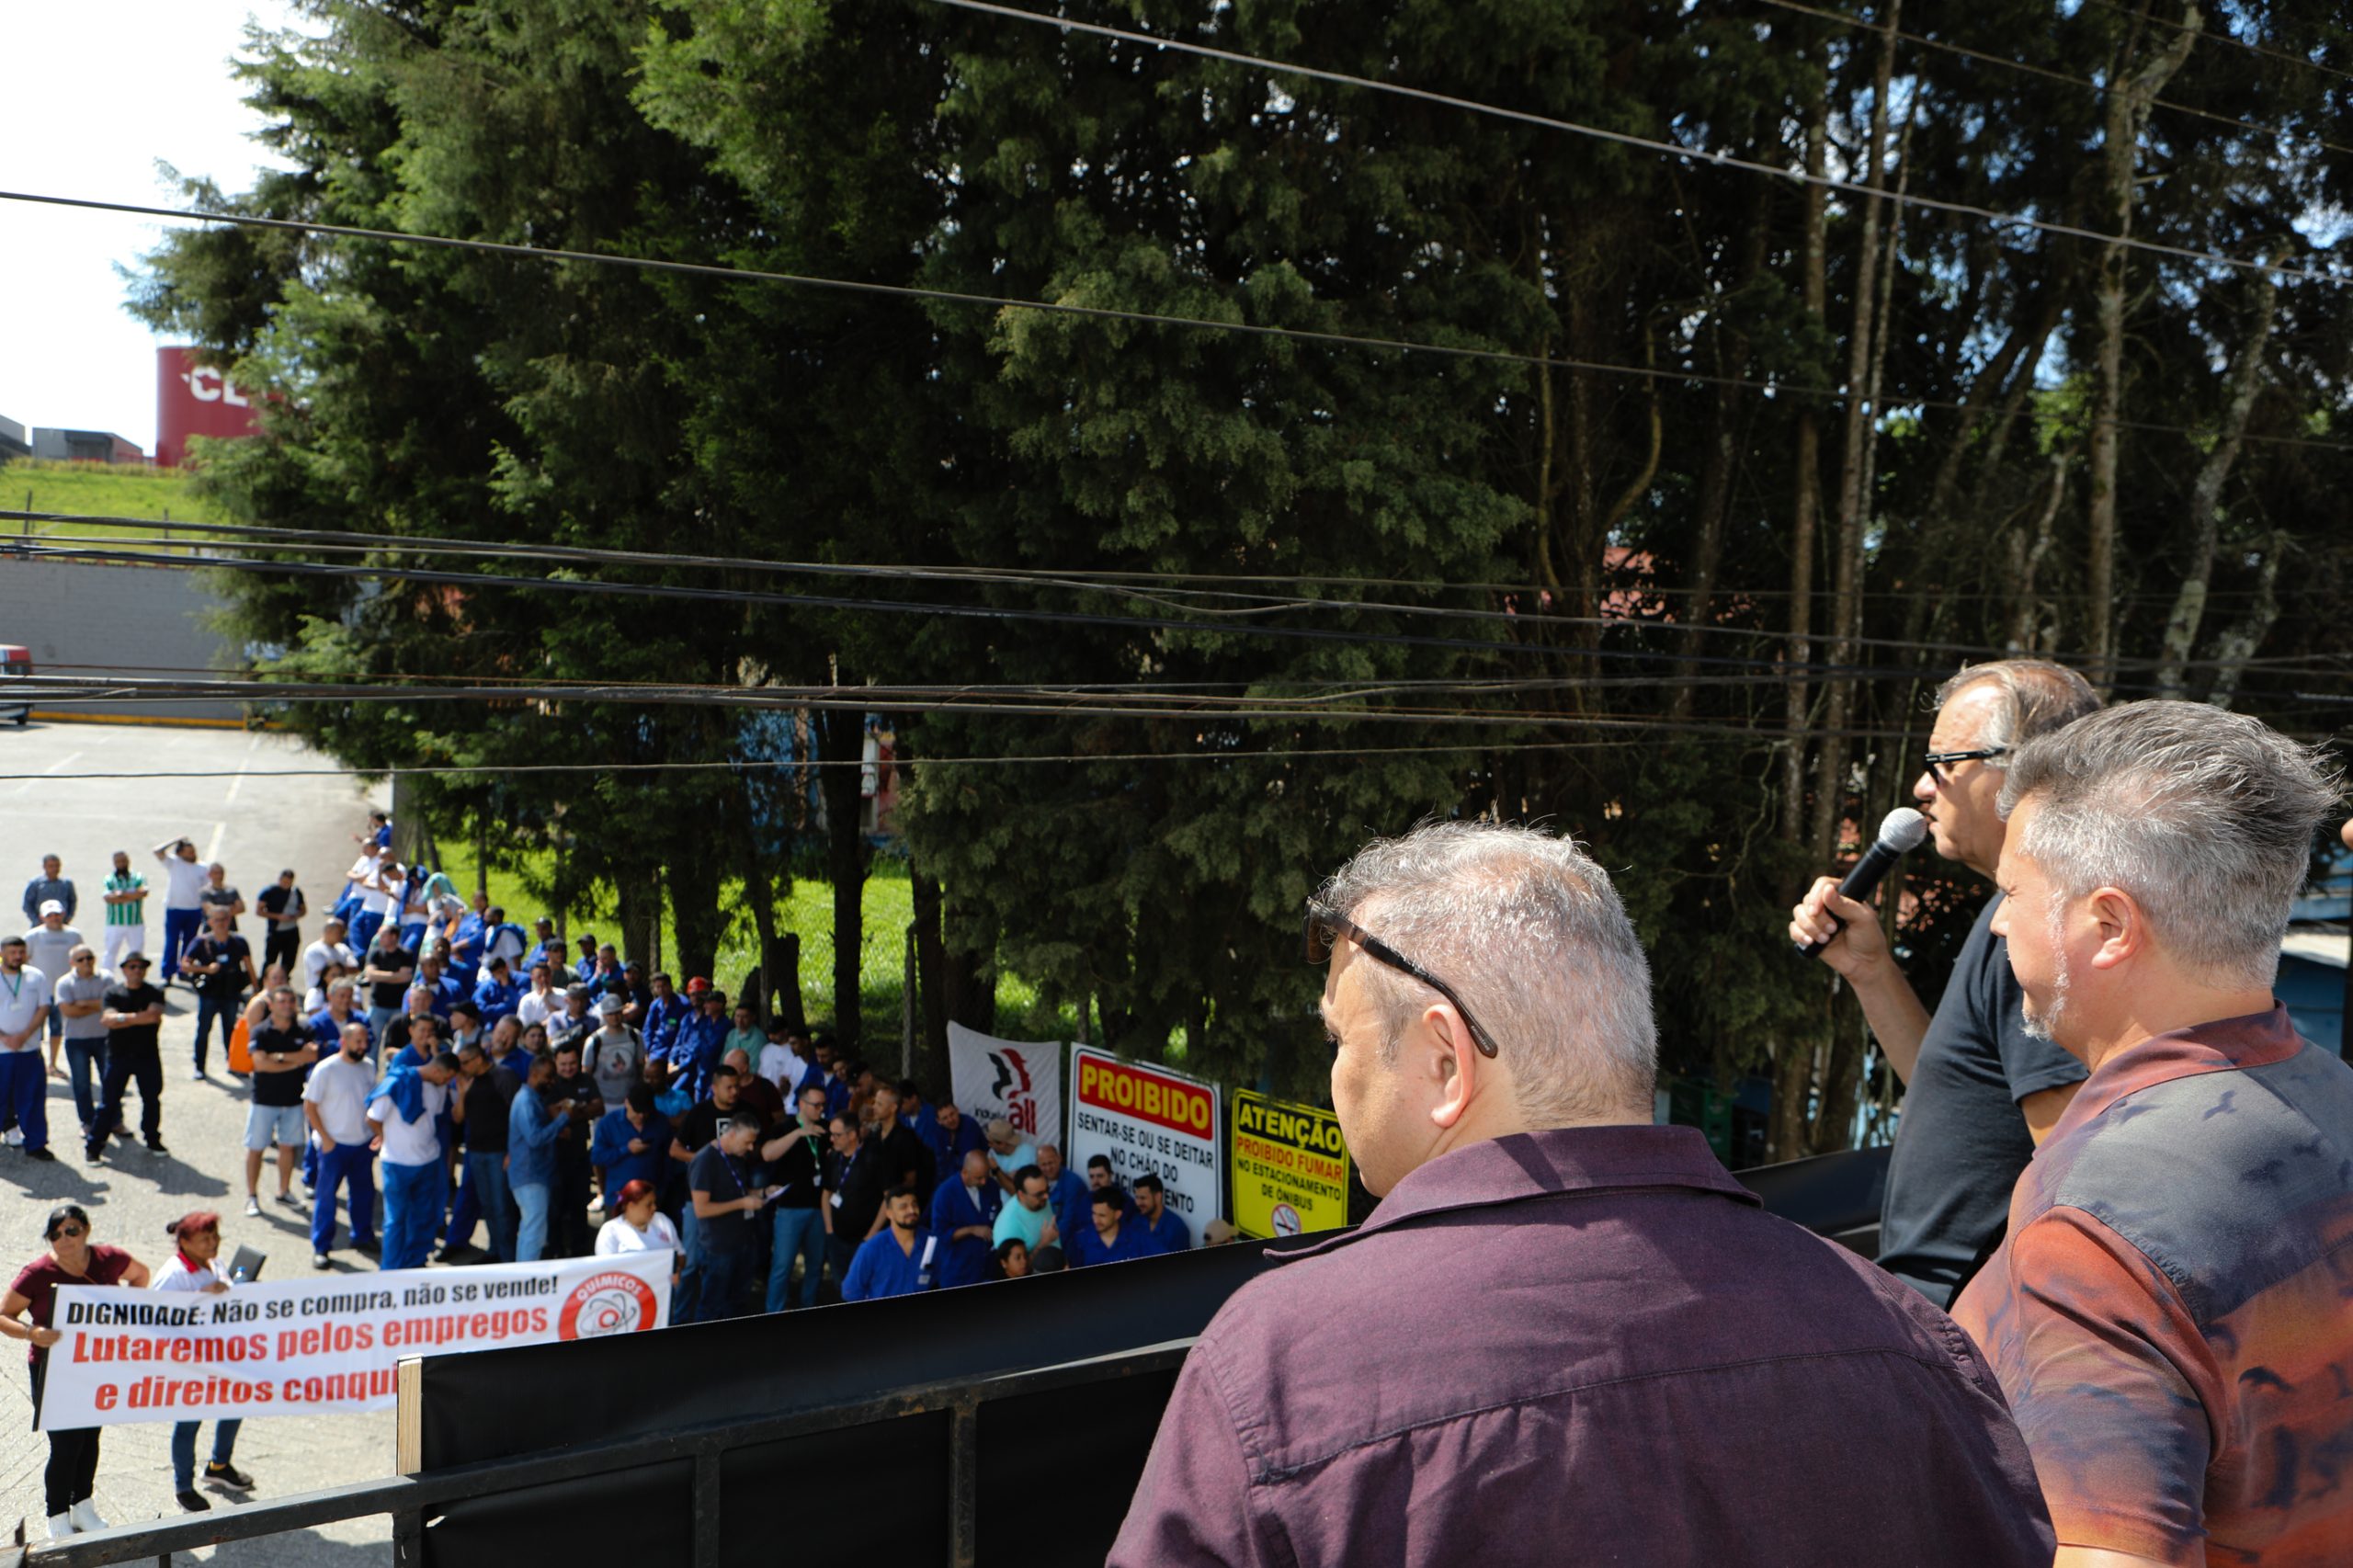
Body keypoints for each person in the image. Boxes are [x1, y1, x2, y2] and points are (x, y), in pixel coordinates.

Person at [1111, 820, 2056, 1568]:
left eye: (1339, 1040)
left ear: (1445, 1057)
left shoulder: (1281, 1365)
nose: (1333, 1077)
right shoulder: (1908, 1333)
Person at [1949, 702, 2353, 1566]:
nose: (1996, 925)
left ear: (2109, 925)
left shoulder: (2098, 1221)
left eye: (2011, 893)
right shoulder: (2332, 1092)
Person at [1790, 659, 2101, 1307]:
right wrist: (1871, 973)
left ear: (2020, 768)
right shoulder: (2015, 906)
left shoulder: (2038, 922)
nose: (1921, 788)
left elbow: (2068, 1177)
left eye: (1943, 763)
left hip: (1975, 1326)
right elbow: (1966, 1096)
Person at [4, 1205, 148, 1539]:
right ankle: (56, 1517)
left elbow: (141, 1275)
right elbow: (4, 1315)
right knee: (66, 1445)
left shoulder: (108, 1259)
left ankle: (83, 1506)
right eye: (55, 1234)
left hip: (96, 1362)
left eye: (71, 1230)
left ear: (86, 1228)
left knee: (90, 1438)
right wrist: (31, 1332)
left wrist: (125, 1313)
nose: (63, 1239)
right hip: (52, 1366)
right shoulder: (37, 1272)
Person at [152, 1211, 255, 1512]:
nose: (214, 1244)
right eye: (205, 1239)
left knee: (236, 1406)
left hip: (223, 1354)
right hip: (189, 1364)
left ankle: (219, 1466)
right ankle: (183, 1487)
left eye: (216, 1237)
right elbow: (155, 1319)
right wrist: (200, 1297)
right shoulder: (173, 1275)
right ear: (184, 1242)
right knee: (188, 1425)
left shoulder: (213, 1261)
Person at [368, 1049, 458, 1270]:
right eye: (446, 1077)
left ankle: (416, 1262)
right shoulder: (397, 1083)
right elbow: (372, 1117)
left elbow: (433, 1118)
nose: (447, 1082)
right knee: (396, 1220)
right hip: (397, 1163)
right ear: (437, 1070)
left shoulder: (438, 1086)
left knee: (423, 1216)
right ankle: (390, 1270)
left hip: (428, 1160)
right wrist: (384, 1137)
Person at [304, 1020, 381, 1268]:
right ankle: (322, 1247)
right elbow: (310, 1106)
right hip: (333, 1146)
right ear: (344, 1042)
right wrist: (326, 1139)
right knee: (326, 1199)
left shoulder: (368, 1067)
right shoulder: (325, 1069)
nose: (363, 1046)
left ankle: (362, 1236)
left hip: (361, 1144)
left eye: (365, 1041)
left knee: (363, 1195)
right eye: (358, 1042)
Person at [243, 986, 316, 1217]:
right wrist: (296, 1061)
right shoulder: (260, 1032)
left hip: (293, 1100)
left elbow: (312, 1055)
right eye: (282, 1001)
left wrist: (280, 1057)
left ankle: (283, 1191)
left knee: (288, 1147)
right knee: (256, 1149)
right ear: (272, 1005)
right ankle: (252, 1196)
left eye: (291, 1001)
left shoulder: (304, 1029)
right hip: (264, 1100)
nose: (287, 1005)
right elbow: (260, 1064)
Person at [688, 1114, 767, 1323]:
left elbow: (739, 1191)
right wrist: (742, 1204)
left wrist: (763, 1192)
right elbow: (701, 1209)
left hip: (744, 1241)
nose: (750, 1148)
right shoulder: (705, 1160)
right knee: (711, 1306)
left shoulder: (736, 1156)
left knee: (738, 1302)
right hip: (719, 1247)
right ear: (731, 1134)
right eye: (747, 1142)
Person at [89, 954, 168, 1160]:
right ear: (124, 969)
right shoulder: (112, 992)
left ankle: (152, 1139)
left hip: (147, 1056)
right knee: (109, 1103)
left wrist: (122, 1018)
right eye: (132, 967)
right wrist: (138, 1018)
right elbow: (107, 1020)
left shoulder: (155, 991)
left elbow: (153, 1016)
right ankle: (94, 1146)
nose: (137, 970)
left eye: (141, 967)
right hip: (118, 1056)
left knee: (151, 1100)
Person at [760, 1083, 830, 1311]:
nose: (820, 1109)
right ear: (801, 1104)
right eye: (816, 1104)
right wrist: (799, 1133)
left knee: (816, 1263)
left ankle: (808, 1304)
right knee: (783, 1264)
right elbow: (767, 1154)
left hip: (820, 1207)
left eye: (823, 1104)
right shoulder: (785, 1127)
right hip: (790, 1208)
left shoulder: (827, 1128)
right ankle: (774, 1310)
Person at [451, 1042, 519, 1263]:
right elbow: (458, 1118)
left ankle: (508, 1258)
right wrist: (462, 1094)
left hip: (499, 1153)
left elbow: (517, 1115)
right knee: (487, 1206)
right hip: (476, 1153)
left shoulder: (504, 1076)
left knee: (502, 1207)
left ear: (478, 1059)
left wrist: (512, 1151)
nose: (461, 1067)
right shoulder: (468, 1081)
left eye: (465, 1062)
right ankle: (494, 1251)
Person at [507, 1052, 574, 1263]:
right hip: (530, 1176)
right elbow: (535, 1138)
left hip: (534, 1174)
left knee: (531, 1229)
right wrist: (563, 1118)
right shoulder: (526, 1101)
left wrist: (553, 1121)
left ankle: (523, 1275)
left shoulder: (532, 1100)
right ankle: (526, 1281)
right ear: (534, 1074)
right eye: (548, 1076)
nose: (551, 1082)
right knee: (534, 1231)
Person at [0, 933, 57, 1161]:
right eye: (12, 952)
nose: (17, 956)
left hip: (29, 1049)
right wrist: (5, 1037)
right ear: (2, 953)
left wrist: (23, 1035)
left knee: (32, 1098)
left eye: (21, 952)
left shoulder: (36, 976)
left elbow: (44, 1007)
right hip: (2, 1050)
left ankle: (35, 1143)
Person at [181, 906, 255, 1080]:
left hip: (231, 993)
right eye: (217, 920)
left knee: (231, 1030)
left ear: (230, 921)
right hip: (210, 995)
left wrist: (256, 990)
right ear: (210, 922)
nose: (221, 923)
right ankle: (199, 1067)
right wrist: (206, 969)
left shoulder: (239, 942)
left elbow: (249, 966)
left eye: (224, 919)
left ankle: (233, 1064)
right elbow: (184, 965)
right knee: (203, 1030)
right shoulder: (201, 942)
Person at [52, 946, 110, 1157]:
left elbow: (113, 1003)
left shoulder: (106, 978)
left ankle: (115, 1120)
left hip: (104, 1038)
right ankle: (87, 1121)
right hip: (77, 1041)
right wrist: (98, 1005)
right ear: (72, 963)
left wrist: (84, 1004)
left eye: (89, 958)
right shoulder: (65, 983)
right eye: (80, 959)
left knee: (110, 1081)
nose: (86, 962)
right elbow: (68, 1011)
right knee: (82, 1083)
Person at [548, 1040, 604, 1256]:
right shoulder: (550, 1083)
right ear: (555, 1063)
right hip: (554, 1156)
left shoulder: (587, 1080)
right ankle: (556, 1250)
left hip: (580, 1154)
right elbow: (551, 1111)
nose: (568, 1068)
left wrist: (571, 1111)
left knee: (579, 1205)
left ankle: (580, 1250)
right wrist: (581, 1109)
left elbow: (599, 1107)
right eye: (563, 1064)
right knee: (555, 1207)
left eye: (572, 1063)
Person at [842, 1184, 938, 1302]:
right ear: (889, 1214)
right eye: (903, 1207)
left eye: (914, 1204)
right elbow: (851, 1291)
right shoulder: (871, 1248)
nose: (912, 1210)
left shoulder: (932, 1241)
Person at [592, 1083, 674, 1211]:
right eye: (637, 1111)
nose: (641, 1116)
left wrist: (662, 1192)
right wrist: (626, 1149)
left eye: (645, 1112)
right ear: (627, 1103)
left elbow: (669, 1159)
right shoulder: (608, 1123)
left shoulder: (661, 1122)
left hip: (651, 1201)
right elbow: (597, 1157)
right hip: (618, 1200)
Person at [930, 1148, 1002, 1290]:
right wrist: (971, 1230)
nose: (983, 1182)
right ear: (964, 1173)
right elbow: (940, 1234)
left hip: (986, 1267)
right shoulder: (945, 1193)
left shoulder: (991, 1186)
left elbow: (997, 1216)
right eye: (978, 1178)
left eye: (986, 1176)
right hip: (957, 1272)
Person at [594, 1178, 682, 1287]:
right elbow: (605, 1272)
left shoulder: (662, 1221)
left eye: (654, 1203)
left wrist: (676, 1269)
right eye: (648, 1205)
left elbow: (681, 1255)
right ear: (631, 1206)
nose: (654, 1208)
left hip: (662, 1294)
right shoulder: (610, 1231)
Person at [152, 835, 210, 987]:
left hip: (194, 910)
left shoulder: (202, 868)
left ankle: (183, 971)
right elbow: (157, 851)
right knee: (172, 942)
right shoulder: (174, 863)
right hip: (174, 909)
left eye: (193, 851)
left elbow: (206, 891)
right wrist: (175, 840)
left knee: (189, 943)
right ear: (180, 853)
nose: (192, 854)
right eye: (188, 852)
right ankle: (167, 973)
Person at [24, 901, 82, 1051]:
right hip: (38, 990)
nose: (54, 918)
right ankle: (38, 1057)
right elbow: (23, 959)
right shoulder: (32, 936)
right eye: (50, 915)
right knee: (36, 1028)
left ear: (63, 914)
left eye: (57, 914)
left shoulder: (74, 935)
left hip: (62, 991)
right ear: (42, 917)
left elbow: (81, 958)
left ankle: (53, 1063)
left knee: (57, 1029)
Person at [359, 918, 417, 1059]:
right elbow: (370, 975)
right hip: (377, 1005)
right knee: (372, 1041)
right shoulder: (376, 953)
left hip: (398, 1008)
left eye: (383, 935)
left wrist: (381, 976)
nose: (380, 938)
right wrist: (395, 976)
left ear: (394, 936)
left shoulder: (406, 954)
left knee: (396, 1042)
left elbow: (406, 978)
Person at [868, 1080, 936, 1199]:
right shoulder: (874, 1136)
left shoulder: (905, 1139)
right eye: (874, 1103)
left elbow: (910, 1180)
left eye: (879, 1104)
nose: (874, 1107)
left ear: (893, 1107)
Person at [1068, 1184, 1155, 1267]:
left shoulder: (1138, 1238)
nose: (1096, 1220)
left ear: (1117, 1214)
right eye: (1094, 1213)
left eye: (1102, 1215)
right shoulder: (1080, 1240)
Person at [585, 994, 644, 1110]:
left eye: (617, 1012)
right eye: (610, 1014)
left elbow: (641, 1064)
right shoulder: (594, 1041)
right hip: (604, 1102)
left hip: (630, 1100)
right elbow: (587, 1073)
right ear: (604, 1015)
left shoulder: (635, 1036)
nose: (614, 1017)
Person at [991, 1165, 1060, 1257]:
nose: (1046, 1197)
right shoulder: (1008, 1228)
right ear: (1021, 1195)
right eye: (1039, 1194)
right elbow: (1017, 1271)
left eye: (1047, 1190)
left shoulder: (1040, 1200)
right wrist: (1043, 1243)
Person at [98, 850, 145, 974]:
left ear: (128, 861)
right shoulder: (109, 879)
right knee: (110, 952)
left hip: (135, 922)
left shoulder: (137, 877)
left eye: (123, 861)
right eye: (118, 862)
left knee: (136, 952)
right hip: (115, 923)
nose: (121, 864)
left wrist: (121, 895)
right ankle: (107, 976)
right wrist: (132, 896)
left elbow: (143, 893)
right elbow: (108, 898)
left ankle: (136, 976)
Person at [256, 869, 305, 977]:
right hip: (275, 932)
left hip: (291, 931)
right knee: (270, 961)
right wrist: (278, 916)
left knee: (289, 961)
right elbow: (259, 911)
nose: (285, 884)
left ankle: (284, 980)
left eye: (288, 882)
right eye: (284, 881)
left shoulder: (296, 892)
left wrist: (295, 916)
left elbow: (303, 910)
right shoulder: (269, 892)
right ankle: (264, 982)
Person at [1131, 1173, 1189, 1255]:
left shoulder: (1176, 1228)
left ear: (1158, 1196)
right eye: (1136, 1197)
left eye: (1143, 1198)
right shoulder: (1137, 1220)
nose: (1138, 1203)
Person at [301, 916, 357, 999]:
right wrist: (343, 969)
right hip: (321, 996)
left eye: (344, 932)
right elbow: (323, 972)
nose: (343, 935)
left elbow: (355, 968)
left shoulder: (343, 948)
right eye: (340, 932)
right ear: (328, 931)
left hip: (344, 995)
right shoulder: (314, 950)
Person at [983, 1118, 1037, 1194]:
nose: (989, 1145)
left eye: (991, 1143)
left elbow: (1016, 1192)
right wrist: (1008, 1177)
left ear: (1002, 1144)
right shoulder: (992, 1153)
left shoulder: (1029, 1154)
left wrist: (996, 1170)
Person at [756, 1018, 807, 1095]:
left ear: (785, 1031)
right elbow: (760, 1073)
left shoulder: (793, 1051)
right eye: (770, 1033)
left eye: (775, 1033)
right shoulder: (766, 1049)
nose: (771, 1036)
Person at [22, 854, 74, 927]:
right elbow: (27, 904)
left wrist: (68, 918)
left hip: (61, 925)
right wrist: (37, 921)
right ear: (44, 867)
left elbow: (72, 901)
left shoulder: (66, 884)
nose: (54, 869)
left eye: (57, 866)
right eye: (51, 866)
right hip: (40, 926)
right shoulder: (36, 884)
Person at [472, 956, 521, 1032]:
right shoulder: (488, 985)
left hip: (515, 1023)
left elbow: (519, 1004)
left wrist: (506, 986)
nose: (499, 976)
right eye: (494, 974)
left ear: (506, 968)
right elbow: (480, 1007)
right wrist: (508, 1006)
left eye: (501, 972)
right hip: (493, 1025)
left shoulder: (521, 979)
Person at [198, 862, 245, 932]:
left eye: (221, 873)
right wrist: (230, 908)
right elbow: (210, 910)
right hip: (211, 930)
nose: (219, 876)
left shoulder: (232, 890)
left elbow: (241, 908)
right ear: (209, 875)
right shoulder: (205, 892)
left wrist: (219, 910)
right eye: (216, 873)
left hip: (230, 929)